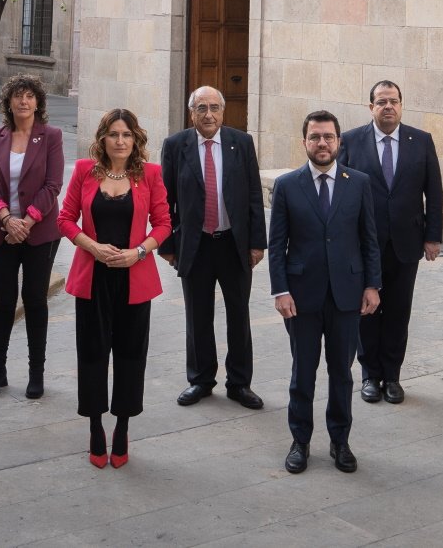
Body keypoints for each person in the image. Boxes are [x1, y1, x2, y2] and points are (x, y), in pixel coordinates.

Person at [269, 110, 382, 475]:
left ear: (339, 141)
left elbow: (369, 239)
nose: (322, 143)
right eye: (315, 137)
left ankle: (340, 441)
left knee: (342, 373)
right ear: (304, 142)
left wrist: (372, 285)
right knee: (303, 372)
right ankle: (300, 440)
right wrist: (281, 291)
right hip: (301, 297)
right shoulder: (287, 185)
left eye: (328, 137)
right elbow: (276, 246)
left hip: (347, 295)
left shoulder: (359, 182)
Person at [59, 109, 171, 468]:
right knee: (92, 353)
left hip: (133, 278)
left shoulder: (150, 174)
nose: (120, 141)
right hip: (93, 278)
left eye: (126, 135)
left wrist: (138, 252)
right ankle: (95, 427)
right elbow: (65, 218)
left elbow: (164, 224)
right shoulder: (83, 172)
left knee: (129, 355)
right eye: (113, 135)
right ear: (102, 139)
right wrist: (92, 246)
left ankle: (121, 427)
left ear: (135, 139)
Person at [159, 86, 265, 409]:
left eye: (215, 108)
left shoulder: (241, 143)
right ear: (192, 113)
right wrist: (167, 244)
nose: (209, 114)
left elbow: (254, 196)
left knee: (239, 315)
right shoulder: (176, 146)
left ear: (223, 111)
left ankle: (239, 382)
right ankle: (200, 379)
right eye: (202, 108)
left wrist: (257, 243)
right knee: (198, 316)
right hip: (196, 245)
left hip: (234, 244)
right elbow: (165, 200)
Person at [338, 80, 441, 405]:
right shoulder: (352, 141)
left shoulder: (420, 141)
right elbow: (341, 193)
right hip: (363, 244)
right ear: (371, 107)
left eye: (393, 101)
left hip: (406, 243)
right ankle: (370, 375)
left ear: (401, 104)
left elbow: (434, 191)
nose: (388, 107)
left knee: (398, 310)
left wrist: (433, 235)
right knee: (367, 308)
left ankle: (392, 376)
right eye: (381, 102)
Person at [0, 73, 65, 399]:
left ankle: (35, 372)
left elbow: (53, 185)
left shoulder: (51, 136)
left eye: (29, 96)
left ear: (38, 102)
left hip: (39, 232)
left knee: (35, 300)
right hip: (0, 232)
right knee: (2, 302)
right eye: (18, 96)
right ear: (9, 102)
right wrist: (5, 218)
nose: (24, 101)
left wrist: (26, 222)